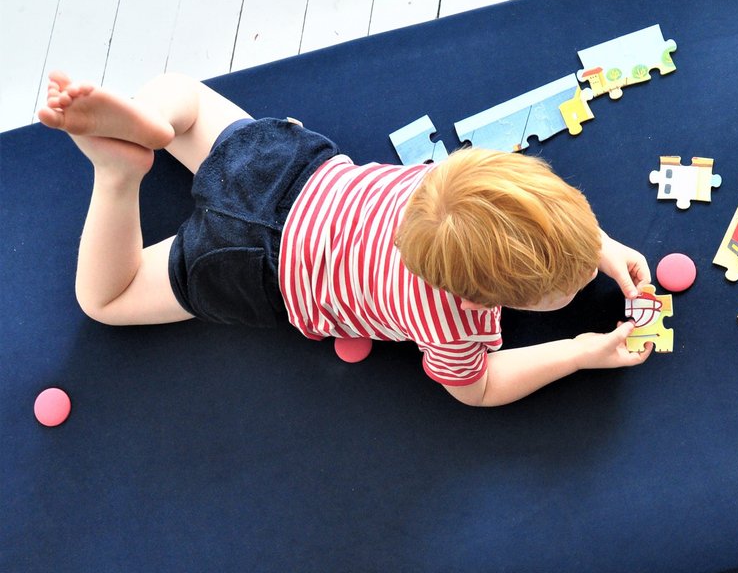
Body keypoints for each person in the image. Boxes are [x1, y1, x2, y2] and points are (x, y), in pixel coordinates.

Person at [37, 71, 653, 407]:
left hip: (285, 168)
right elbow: (479, 388)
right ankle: (118, 179)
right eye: (570, 281)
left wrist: (600, 246)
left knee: (189, 96)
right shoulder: (452, 323)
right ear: (487, 299)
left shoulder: (457, 176)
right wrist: (579, 352)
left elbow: (528, 209)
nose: (586, 273)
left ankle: (156, 123)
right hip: (254, 265)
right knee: (107, 300)